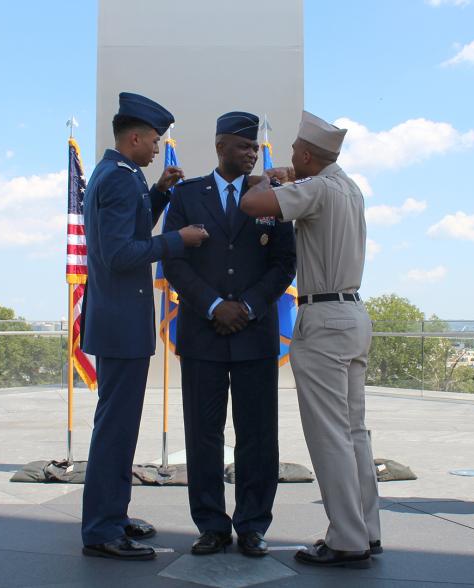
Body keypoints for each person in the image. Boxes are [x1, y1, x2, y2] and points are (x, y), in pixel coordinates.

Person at [240, 110, 381, 569]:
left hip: (323, 317)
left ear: (304, 154)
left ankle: (345, 538)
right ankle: (366, 529)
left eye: (295, 154)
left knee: (329, 436)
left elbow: (253, 206)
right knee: (355, 431)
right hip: (354, 312)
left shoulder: (316, 188)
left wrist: (268, 181)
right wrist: (288, 178)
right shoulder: (347, 187)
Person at [80, 92, 208, 560]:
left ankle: (112, 514)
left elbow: (131, 231)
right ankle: (101, 529)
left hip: (119, 320)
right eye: (154, 141)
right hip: (120, 323)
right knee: (115, 429)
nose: (158, 149)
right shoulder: (116, 180)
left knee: (119, 426)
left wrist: (156, 193)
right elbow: (119, 255)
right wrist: (177, 240)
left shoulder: (123, 175)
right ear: (134, 137)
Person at [162, 112, 296, 557]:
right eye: (244, 146)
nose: (252, 153)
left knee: (258, 435)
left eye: (255, 147)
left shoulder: (272, 199)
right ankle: (212, 525)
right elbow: (175, 261)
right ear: (221, 146)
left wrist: (251, 305)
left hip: (255, 335)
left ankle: (253, 525)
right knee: (204, 434)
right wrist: (216, 305)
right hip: (204, 333)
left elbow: (284, 263)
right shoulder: (186, 196)